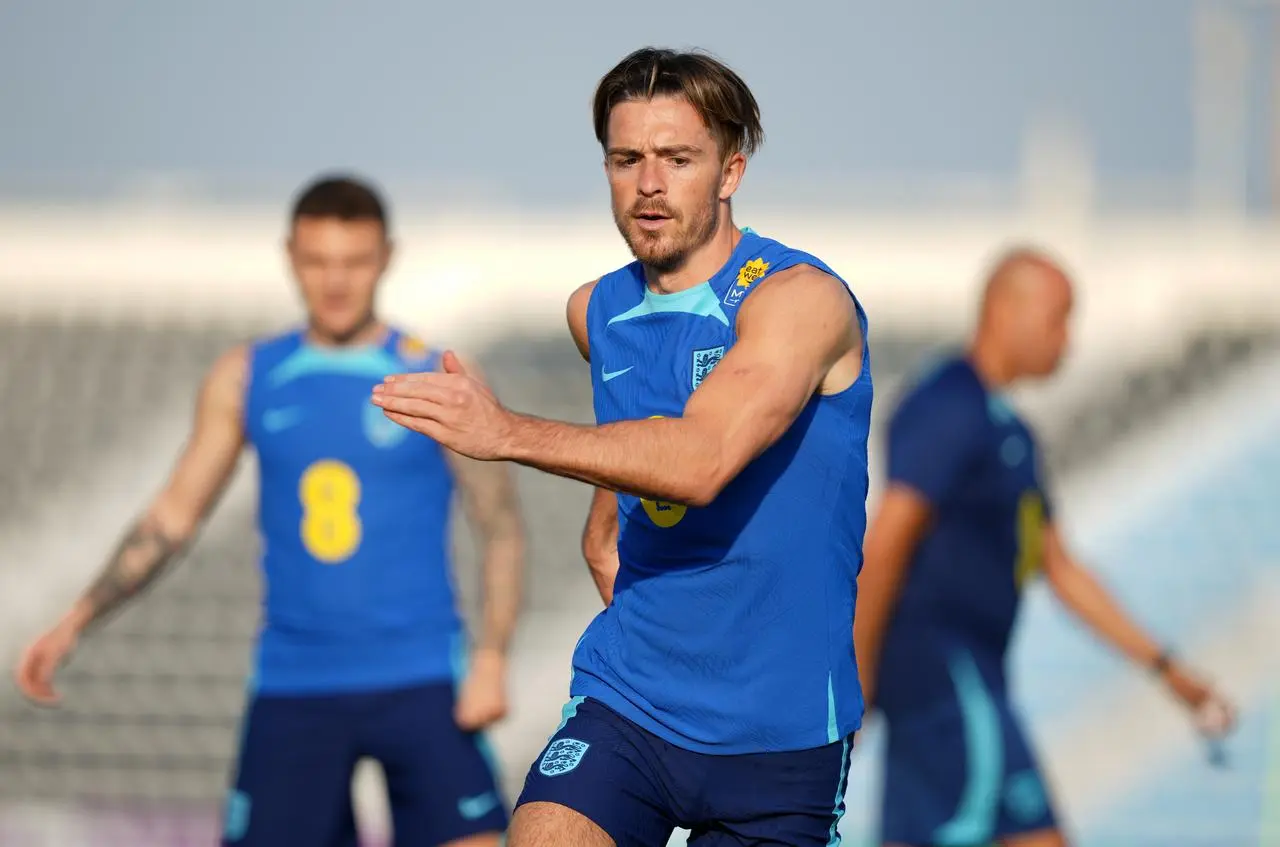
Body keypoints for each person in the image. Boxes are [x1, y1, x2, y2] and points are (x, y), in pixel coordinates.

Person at [372, 47, 874, 847]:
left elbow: (702, 460)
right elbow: (628, 450)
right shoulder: (596, 310)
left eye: (678, 159)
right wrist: (606, 531)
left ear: (730, 170)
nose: (648, 184)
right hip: (630, 701)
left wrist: (507, 432)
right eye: (626, 158)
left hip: (779, 735)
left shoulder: (802, 301)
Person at [14, 175, 525, 847]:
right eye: (317, 262)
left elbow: (501, 526)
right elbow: (172, 517)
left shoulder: (439, 375)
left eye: (354, 261)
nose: (335, 281)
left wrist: (491, 657)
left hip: (423, 676)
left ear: (386, 258)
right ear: (290, 256)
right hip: (295, 681)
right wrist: (79, 615)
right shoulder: (249, 376)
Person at [853, 247, 1237, 847]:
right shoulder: (947, 404)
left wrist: (1167, 669)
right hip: (945, 679)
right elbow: (889, 537)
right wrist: (858, 669)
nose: (1068, 340)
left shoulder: (1010, 432)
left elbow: (1058, 566)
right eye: (1060, 318)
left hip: (974, 681)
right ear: (1007, 312)